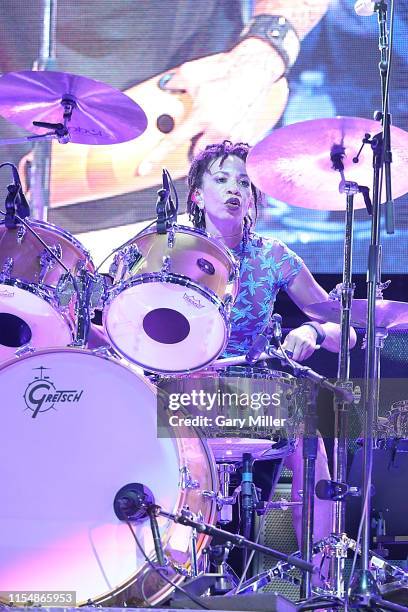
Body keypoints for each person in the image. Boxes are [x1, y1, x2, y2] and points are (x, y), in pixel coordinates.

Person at [186, 140, 357, 565]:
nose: (234, 189)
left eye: (244, 182)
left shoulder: (273, 256)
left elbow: (347, 333)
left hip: (252, 394)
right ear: (196, 194)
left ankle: (321, 574)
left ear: (253, 195)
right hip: (187, 390)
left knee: (306, 426)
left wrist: (316, 331)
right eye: (221, 179)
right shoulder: (174, 252)